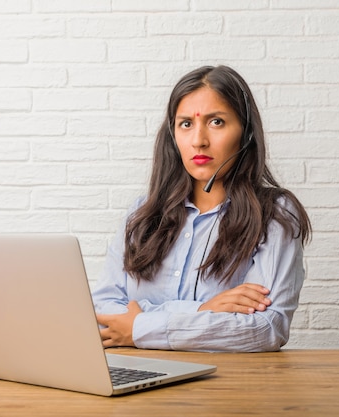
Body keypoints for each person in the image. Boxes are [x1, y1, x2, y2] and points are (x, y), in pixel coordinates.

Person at [92, 65, 311, 352]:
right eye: (186, 124)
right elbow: (101, 314)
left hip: (225, 387)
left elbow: (266, 328)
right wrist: (199, 311)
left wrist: (140, 327)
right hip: (139, 378)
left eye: (216, 122)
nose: (198, 140)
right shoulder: (141, 215)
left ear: (245, 134)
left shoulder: (275, 215)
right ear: (173, 135)